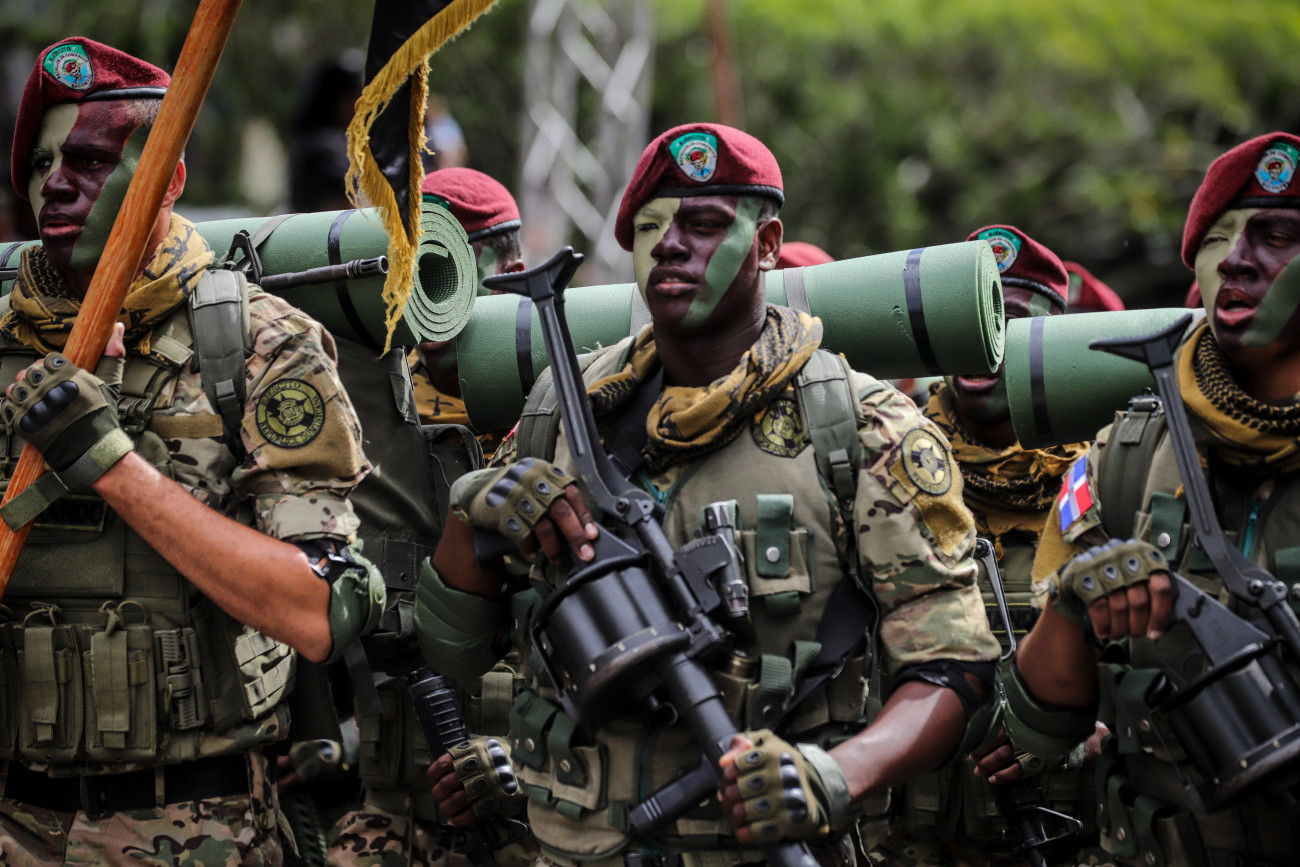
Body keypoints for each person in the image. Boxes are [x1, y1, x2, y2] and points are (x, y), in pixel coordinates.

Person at [416, 122, 1001, 867]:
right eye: (649, 228)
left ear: (767, 244)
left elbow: (954, 666)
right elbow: (455, 650)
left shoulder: (860, 427)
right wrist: (472, 514)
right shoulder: (561, 410)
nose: (668, 245)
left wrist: (834, 774)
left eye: (702, 224)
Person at [0, 37, 381, 863]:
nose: (54, 183)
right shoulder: (5, 346)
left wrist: (110, 464)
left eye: (90, 162)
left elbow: (317, 610)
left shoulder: (255, 344)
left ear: (166, 180)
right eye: (38, 162)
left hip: (198, 828)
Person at [977, 132, 1300, 866]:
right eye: (1216, 240)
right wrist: (1072, 608)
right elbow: (1034, 733)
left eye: (1277, 237)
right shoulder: (1123, 461)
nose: (1237, 260)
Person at [871, 226, 1097, 865]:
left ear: (1050, 341)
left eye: (1008, 321)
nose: (982, 342)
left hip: (1066, 839)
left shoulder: (1105, 480)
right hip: (909, 844)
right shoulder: (880, 466)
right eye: (965, 320)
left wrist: (1074, 736)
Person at [410, 167, 525, 459]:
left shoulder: (546, 394)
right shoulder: (379, 388)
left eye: (449, 274)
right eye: (411, 273)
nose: (426, 296)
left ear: (510, 280)